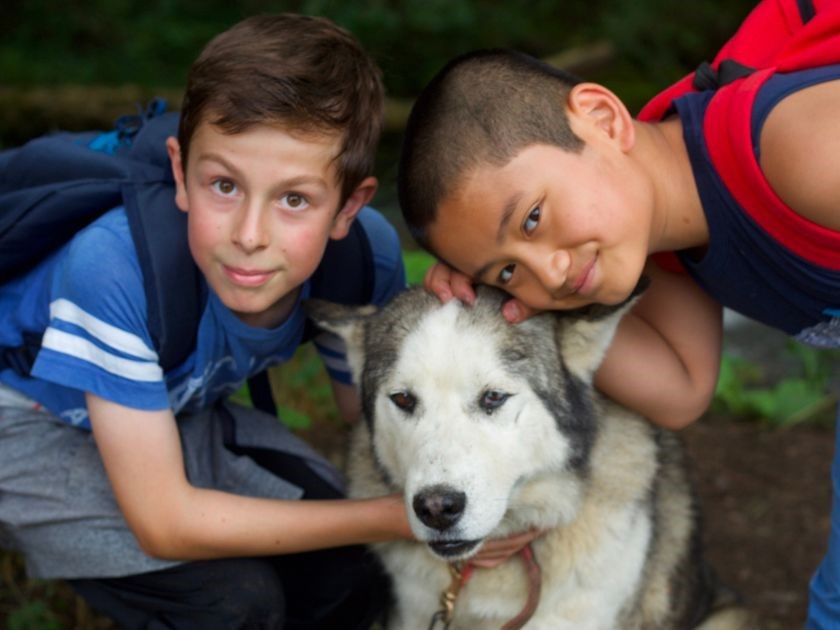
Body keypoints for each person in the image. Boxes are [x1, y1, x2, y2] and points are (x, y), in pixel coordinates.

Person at [397, 46, 840, 628]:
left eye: (532, 218)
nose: (549, 273)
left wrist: (504, 276)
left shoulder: (802, 149)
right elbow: (681, 391)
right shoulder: (664, 241)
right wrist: (501, 305)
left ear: (603, 120)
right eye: (507, 270)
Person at [0, 14, 407, 629]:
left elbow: (376, 436)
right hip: (28, 422)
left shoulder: (362, 262)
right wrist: (397, 519)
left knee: (353, 570)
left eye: (294, 199)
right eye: (223, 185)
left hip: (171, 414)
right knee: (233, 602)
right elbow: (165, 523)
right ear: (181, 171)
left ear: (349, 206)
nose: (250, 235)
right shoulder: (113, 267)